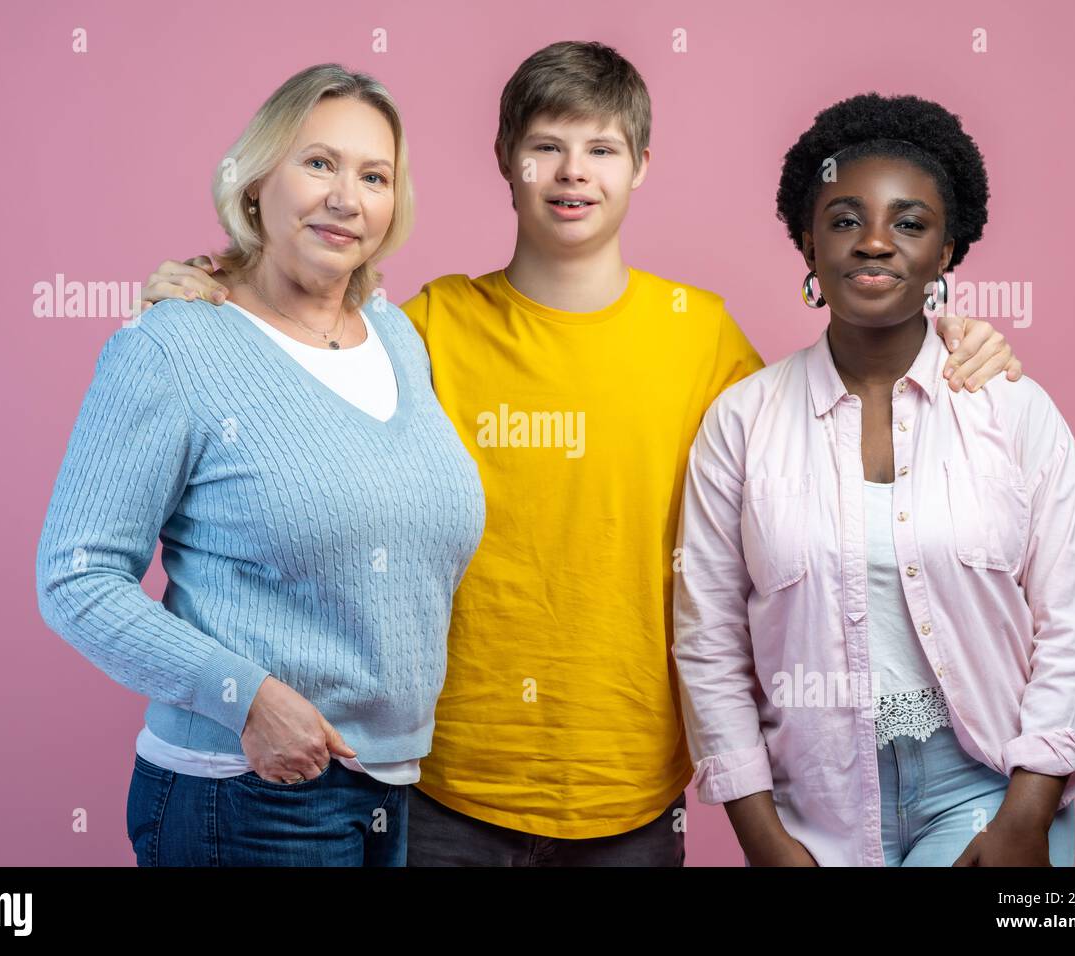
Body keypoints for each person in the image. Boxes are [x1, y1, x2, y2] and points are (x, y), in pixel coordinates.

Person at [138, 43, 1023, 866]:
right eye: (547, 147)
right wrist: (216, 281)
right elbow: (301, 347)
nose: (572, 173)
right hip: (441, 785)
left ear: (640, 166)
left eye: (601, 149)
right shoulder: (426, 330)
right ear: (506, 161)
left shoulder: (701, 336)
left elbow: (829, 431)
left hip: (633, 793)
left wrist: (952, 347)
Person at [35, 64, 485, 867]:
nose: (347, 197)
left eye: (373, 175)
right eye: (319, 163)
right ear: (254, 184)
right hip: (244, 794)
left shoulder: (397, 338)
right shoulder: (174, 344)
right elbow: (77, 576)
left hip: (389, 791)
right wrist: (246, 700)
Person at [672, 92, 1075, 866]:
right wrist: (763, 837)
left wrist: (1025, 816)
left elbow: (1074, 622)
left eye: (909, 223)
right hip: (814, 800)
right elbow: (709, 641)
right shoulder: (740, 423)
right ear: (808, 241)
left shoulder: (1012, 409)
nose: (875, 243)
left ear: (947, 252)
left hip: (983, 791)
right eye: (845, 219)